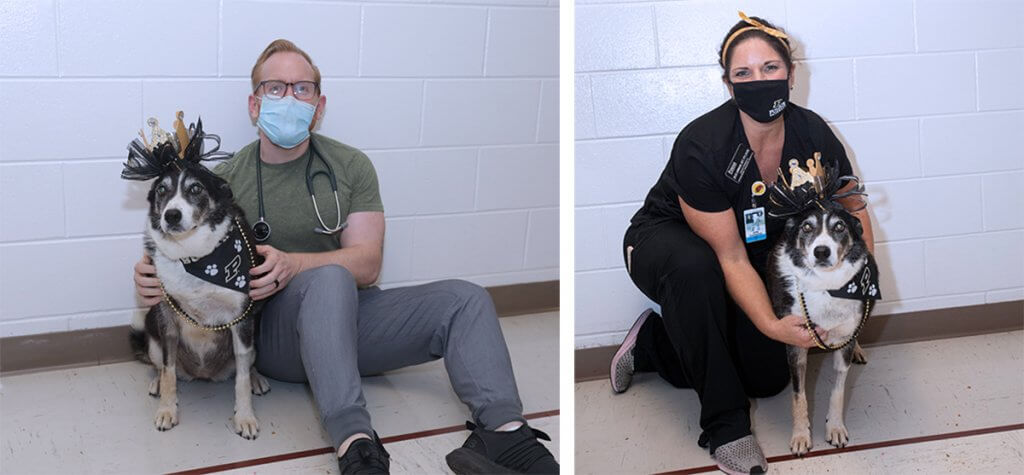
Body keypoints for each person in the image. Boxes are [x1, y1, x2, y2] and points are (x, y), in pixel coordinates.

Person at [133, 39, 558, 475]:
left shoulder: (351, 166)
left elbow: (368, 263)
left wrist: (296, 263)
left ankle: (508, 438)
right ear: (254, 104)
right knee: (331, 277)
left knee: (466, 299)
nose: (289, 98)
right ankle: (357, 448)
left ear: (318, 105)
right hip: (278, 334)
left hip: (351, 319)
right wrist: (155, 277)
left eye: (302, 88)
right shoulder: (217, 184)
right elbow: (175, 248)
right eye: (274, 87)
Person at [610, 12, 873, 475]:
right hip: (668, 243)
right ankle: (726, 429)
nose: (760, 80)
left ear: (791, 73)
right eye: (744, 73)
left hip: (741, 255)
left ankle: (653, 344)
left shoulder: (813, 133)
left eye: (770, 68)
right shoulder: (703, 145)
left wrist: (860, 289)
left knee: (767, 378)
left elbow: (852, 211)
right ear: (728, 85)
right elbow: (729, 257)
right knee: (698, 270)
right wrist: (773, 327)